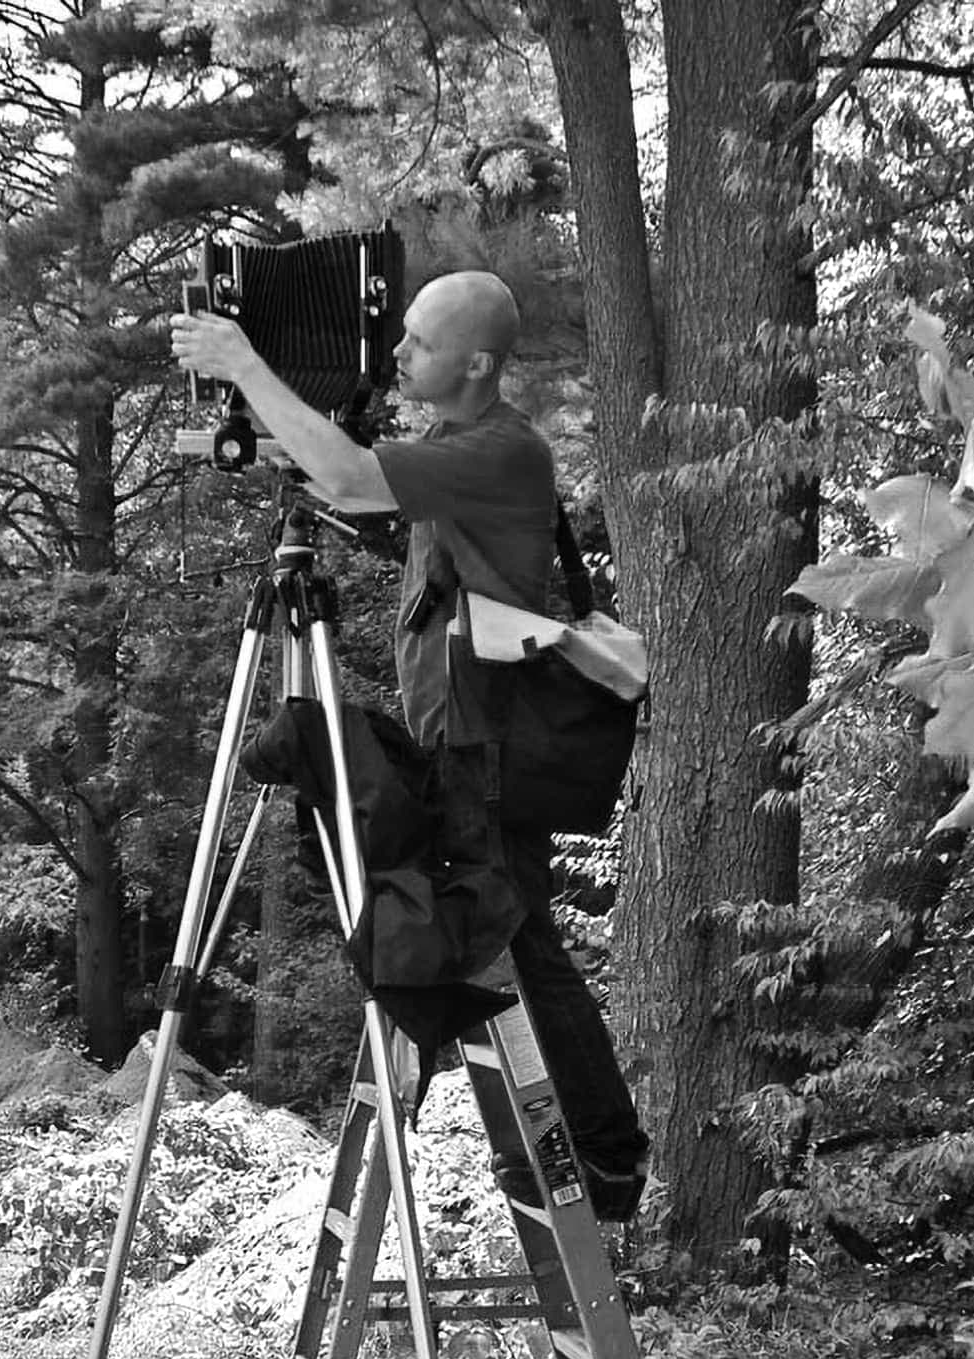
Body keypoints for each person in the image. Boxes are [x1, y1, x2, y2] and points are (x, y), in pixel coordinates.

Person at [170, 269, 649, 1219]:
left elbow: (348, 475)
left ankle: (600, 1159)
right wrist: (265, 432)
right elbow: (345, 476)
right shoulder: (453, 447)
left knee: (516, 943)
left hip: (490, 748)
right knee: (472, 926)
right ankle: (563, 1148)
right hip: (460, 737)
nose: (398, 354)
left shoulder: (501, 451)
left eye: (418, 344)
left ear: (475, 362)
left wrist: (243, 361)